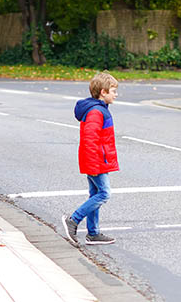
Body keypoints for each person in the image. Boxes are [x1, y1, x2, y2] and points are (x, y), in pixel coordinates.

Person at [62, 72, 119, 246]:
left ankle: (93, 233)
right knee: (104, 194)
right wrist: (95, 164)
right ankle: (74, 220)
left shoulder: (99, 109)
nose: (115, 95)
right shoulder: (96, 112)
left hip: (98, 160)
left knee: (95, 194)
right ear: (103, 92)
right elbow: (90, 140)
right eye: (113, 91)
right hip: (95, 161)